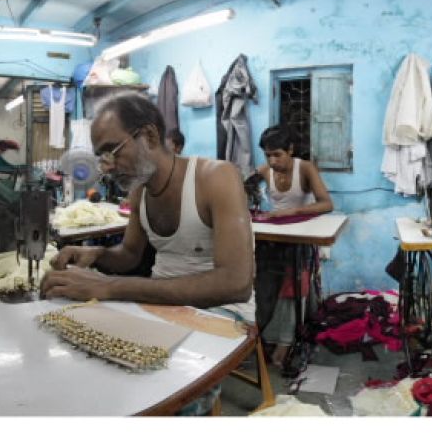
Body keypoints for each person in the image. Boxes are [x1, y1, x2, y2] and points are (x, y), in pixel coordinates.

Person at [43, 92, 255, 314]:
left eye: (112, 152)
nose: (107, 167)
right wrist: (97, 254)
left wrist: (108, 286)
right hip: (160, 307)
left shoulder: (216, 177)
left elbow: (236, 284)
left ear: (150, 136)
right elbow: (129, 255)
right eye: (102, 158)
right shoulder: (139, 191)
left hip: (223, 313)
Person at [251, 124, 334, 366]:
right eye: (268, 155)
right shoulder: (265, 171)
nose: (272, 160)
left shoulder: (305, 169)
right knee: (264, 287)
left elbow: (327, 204)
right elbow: (244, 188)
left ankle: (285, 341)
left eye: (277, 154)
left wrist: (292, 210)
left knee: (291, 288)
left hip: (300, 238)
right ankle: (261, 336)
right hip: (274, 237)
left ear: (290, 149)